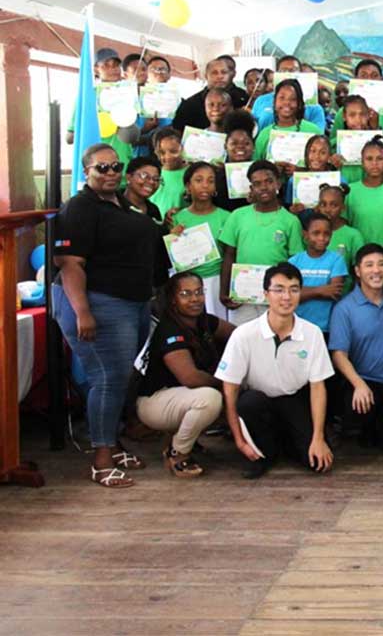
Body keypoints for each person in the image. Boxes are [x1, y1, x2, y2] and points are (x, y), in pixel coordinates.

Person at [52, 144, 161, 487]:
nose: (111, 173)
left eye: (116, 166)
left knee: (121, 378)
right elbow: (69, 264)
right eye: (102, 168)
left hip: (132, 302)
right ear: (86, 171)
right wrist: (83, 311)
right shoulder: (79, 208)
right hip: (98, 302)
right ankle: (100, 460)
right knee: (108, 378)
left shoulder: (123, 205)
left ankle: (112, 446)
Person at [217, 263, 335, 479]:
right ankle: (265, 453)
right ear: (265, 294)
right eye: (279, 289)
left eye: (294, 289)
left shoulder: (312, 333)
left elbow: (318, 387)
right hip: (258, 404)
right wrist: (239, 441)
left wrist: (318, 438)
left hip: (294, 400)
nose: (286, 297)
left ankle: (289, 444)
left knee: (318, 464)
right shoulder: (244, 335)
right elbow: (229, 389)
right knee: (249, 402)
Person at [135, 272, 233, 478]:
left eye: (198, 292)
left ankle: (188, 440)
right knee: (211, 398)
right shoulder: (169, 329)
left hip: (180, 398)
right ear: (173, 299)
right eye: (186, 294)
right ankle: (177, 452)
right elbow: (191, 378)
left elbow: (240, 335)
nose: (195, 299)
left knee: (223, 394)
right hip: (154, 403)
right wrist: (227, 383)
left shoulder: (203, 321)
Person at [329, 244, 383, 455]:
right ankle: (363, 427)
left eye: (381, 264)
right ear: (358, 271)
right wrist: (358, 384)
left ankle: (378, 428)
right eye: (369, 265)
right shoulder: (345, 308)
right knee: (355, 411)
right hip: (363, 382)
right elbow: (338, 354)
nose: (376, 270)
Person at [217, 161, 304, 325]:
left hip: (276, 294)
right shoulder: (237, 216)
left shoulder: (291, 221)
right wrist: (224, 290)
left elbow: (294, 262)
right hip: (243, 294)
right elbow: (229, 255)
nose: (263, 187)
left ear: (278, 183)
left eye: (269, 181)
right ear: (251, 189)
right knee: (242, 338)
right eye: (257, 184)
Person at [168, 162, 230, 318]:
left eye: (210, 181)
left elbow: (230, 254)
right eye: (199, 180)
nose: (205, 186)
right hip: (186, 284)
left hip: (216, 282)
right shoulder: (176, 219)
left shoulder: (227, 217)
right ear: (188, 186)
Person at [289, 213, 348, 335]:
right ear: (305, 235)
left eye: (326, 234)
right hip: (297, 326)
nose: (321, 238)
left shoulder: (337, 260)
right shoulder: (294, 261)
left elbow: (334, 293)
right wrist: (320, 290)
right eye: (316, 233)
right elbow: (289, 295)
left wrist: (301, 291)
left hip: (326, 328)